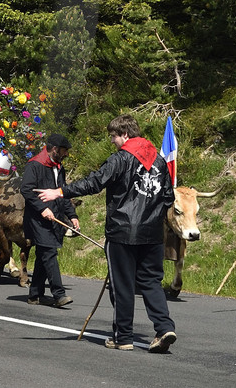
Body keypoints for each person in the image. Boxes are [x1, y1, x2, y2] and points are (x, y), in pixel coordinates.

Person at [36, 114, 177, 353]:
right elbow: (168, 197)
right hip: (152, 233)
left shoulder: (120, 159)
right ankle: (164, 327)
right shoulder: (160, 161)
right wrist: (151, 217)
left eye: (113, 136)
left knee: (121, 285)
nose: (112, 141)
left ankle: (123, 337)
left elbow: (94, 183)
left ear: (124, 134)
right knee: (151, 281)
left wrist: (60, 192)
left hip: (122, 232)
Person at [20, 133, 78, 307]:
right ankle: (59, 294)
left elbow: (63, 193)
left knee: (43, 256)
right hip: (38, 219)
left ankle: (35, 294)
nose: (66, 154)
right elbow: (27, 190)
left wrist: (72, 215)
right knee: (49, 253)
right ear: (54, 149)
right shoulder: (35, 165)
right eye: (64, 150)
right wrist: (42, 208)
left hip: (55, 217)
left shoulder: (59, 167)